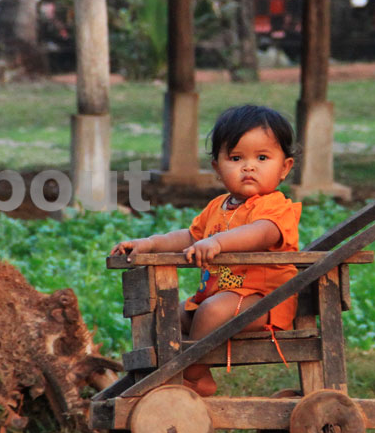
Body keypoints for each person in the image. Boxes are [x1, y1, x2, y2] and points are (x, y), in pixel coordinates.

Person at [111, 104, 301, 397]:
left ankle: (192, 374)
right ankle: (195, 376)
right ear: (217, 168)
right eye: (236, 158)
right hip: (219, 300)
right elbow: (189, 235)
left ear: (285, 167)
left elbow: (263, 232)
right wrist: (149, 243)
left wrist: (219, 242)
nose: (249, 167)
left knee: (213, 310)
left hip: (264, 303)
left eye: (262, 158)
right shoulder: (217, 207)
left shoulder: (276, 207)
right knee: (168, 314)